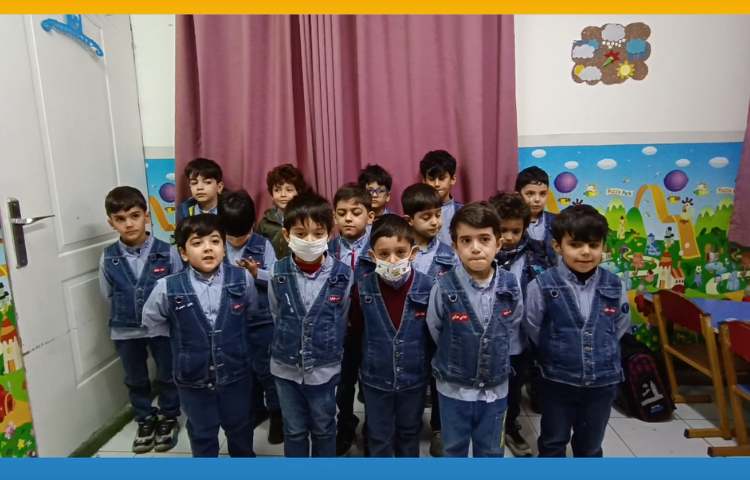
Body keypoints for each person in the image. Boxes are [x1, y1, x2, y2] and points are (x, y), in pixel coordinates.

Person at [142, 214, 258, 457]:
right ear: (183, 253)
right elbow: (152, 322)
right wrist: (183, 341)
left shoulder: (242, 279)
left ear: (224, 248)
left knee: (240, 428)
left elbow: (250, 312)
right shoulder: (167, 287)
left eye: (215, 241)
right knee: (202, 434)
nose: (207, 248)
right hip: (192, 379)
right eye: (197, 243)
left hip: (236, 374)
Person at [525, 204, 631, 457]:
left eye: (593, 245)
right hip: (557, 381)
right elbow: (534, 326)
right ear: (557, 246)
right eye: (575, 244)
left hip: (602, 383)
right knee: (553, 441)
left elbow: (619, 326)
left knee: (590, 445)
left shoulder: (615, 285)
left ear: (603, 247)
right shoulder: (541, 285)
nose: (585, 252)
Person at [426, 202, 523, 457]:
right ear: (455, 246)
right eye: (466, 240)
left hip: (496, 389)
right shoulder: (443, 286)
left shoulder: (511, 285)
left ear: (498, 244)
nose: (476, 248)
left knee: (491, 450)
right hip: (453, 389)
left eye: (484, 239)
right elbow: (436, 328)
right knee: (453, 449)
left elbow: (513, 325)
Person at [268, 191, 354, 457]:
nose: (309, 241)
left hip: (324, 369)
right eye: (300, 234)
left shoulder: (344, 275)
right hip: (285, 369)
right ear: (287, 235)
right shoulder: (277, 272)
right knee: (294, 430)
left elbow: (341, 317)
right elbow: (276, 313)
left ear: (329, 234)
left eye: (317, 234)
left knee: (324, 427)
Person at [99, 186, 183, 454]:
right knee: (135, 378)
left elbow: (177, 288)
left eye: (134, 216)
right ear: (111, 223)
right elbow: (107, 293)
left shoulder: (167, 252)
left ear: (146, 216)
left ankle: (169, 416)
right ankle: (145, 418)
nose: (129, 224)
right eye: (120, 219)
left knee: (167, 373)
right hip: (125, 330)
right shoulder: (108, 257)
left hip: (162, 328)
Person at [349, 214, 431, 457]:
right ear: (372, 256)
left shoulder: (428, 287)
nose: (392, 260)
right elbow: (357, 330)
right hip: (375, 380)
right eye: (384, 254)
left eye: (400, 252)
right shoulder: (362, 289)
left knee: (409, 432)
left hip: (414, 380)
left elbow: (433, 334)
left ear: (413, 253)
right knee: (379, 435)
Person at [488, 192, 553, 457]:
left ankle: (510, 426)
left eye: (516, 231)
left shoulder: (537, 254)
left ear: (525, 228)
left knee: (514, 388)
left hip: (520, 338)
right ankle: (487, 430)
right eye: (502, 230)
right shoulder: (482, 254)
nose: (509, 237)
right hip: (487, 337)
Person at [219, 189, 283, 445]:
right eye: (231, 236)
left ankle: (277, 415)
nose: (236, 241)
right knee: (244, 371)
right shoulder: (216, 245)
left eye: (242, 235)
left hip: (262, 321)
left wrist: (258, 274)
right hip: (231, 322)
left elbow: (277, 279)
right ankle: (256, 409)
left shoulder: (262, 245)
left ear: (252, 225)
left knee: (267, 371)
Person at [401, 182, 455, 456]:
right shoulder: (399, 250)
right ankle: (407, 425)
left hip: (439, 330)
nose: (435, 221)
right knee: (410, 379)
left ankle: (439, 428)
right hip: (406, 329)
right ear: (409, 220)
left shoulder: (448, 254)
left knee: (439, 380)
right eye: (426, 216)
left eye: (437, 214)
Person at [328, 183, 375, 455]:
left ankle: (372, 428)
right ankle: (345, 424)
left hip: (371, 330)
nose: (348, 218)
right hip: (339, 332)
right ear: (334, 216)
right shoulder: (326, 249)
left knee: (370, 383)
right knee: (343, 384)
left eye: (356, 213)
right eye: (342, 213)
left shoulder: (380, 248)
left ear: (370, 216)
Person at [257, 163, 308, 259]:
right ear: (271, 194)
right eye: (277, 190)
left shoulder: (307, 219)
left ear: (298, 192)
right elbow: (258, 251)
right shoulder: (264, 223)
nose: (283, 194)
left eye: (289, 190)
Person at [420, 150, 462, 245]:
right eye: (431, 179)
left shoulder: (462, 212)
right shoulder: (417, 213)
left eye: (442, 178)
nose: (437, 184)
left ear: (453, 179)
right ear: (424, 181)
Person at [516, 166, 556, 262]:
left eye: (542, 193)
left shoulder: (557, 221)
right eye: (530, 193)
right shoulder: (511, 223)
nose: (537, 199)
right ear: (518, 195)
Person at [176, 157, 224, 222]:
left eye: (207, 182)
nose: (199, 187)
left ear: (219, 187)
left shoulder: (229, 209)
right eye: (194, 183)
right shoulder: (184, 210)